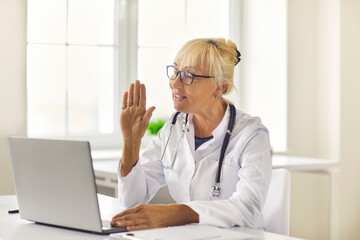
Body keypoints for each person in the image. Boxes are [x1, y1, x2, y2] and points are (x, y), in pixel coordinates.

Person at [111, 38, 272, 231]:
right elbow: (131, 200)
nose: (175, 84)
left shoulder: (251, 135)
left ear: (219, 87)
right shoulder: (174, 127)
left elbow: (248, 209)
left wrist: (178, 213)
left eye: (189, 75)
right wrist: (131, 143)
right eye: (176, 72)